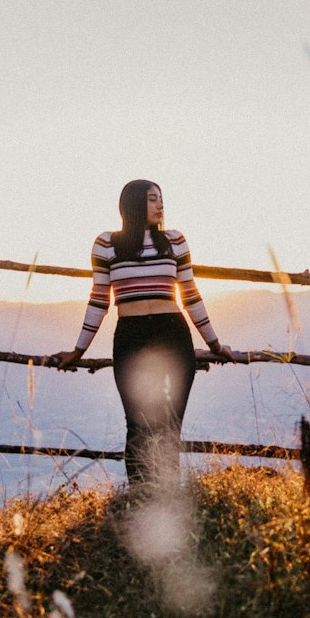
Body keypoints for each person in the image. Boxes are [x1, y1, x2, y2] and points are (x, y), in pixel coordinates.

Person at [52, 180, 233, 486]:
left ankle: (168, 495)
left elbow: (189, 293)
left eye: (161, 199)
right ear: (133, 204)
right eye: (152, 199)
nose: (160, 205)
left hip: (172, 334)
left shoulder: (175, 240)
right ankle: (139, 495)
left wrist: (214, 342)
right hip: (131, 337)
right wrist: (78, 350)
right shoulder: (107, 244)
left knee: (169, 424)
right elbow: (99, 299)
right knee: (137, 424)